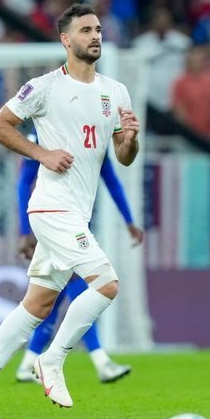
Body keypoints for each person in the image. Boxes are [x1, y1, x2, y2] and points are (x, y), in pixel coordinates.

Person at [0, 3, 140, 419]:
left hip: (77, 210)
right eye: (85, 30)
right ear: (66, 40)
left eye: (98, 29)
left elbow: (123, 157)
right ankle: (53, 359)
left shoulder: (115, 92)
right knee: (107, 283)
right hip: (52, 206)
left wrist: (130, 139)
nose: (95, 36)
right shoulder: (43, 88)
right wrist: (42, 153)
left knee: (37, 305)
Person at [13, 134, 143, 384]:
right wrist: (25, 232)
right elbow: (24, 183)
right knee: (82, 288)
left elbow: (112, 181)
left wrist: (129, 220)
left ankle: (28, 363)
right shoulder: (43, 134)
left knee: (53, 297)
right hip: (54, 224)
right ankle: (101, 361)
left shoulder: (94, 134)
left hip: (78, 224)